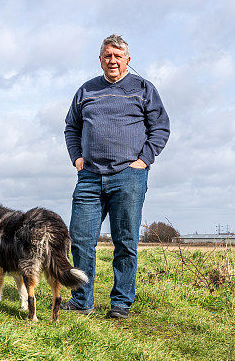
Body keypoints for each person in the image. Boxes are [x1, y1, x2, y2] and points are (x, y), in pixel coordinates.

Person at [61, 34, 170, 319]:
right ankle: (82, 300)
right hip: (89, 177)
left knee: (125, 241)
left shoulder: (143, 88)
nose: (112, 61)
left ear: (128, 61)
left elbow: (160, 127)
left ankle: (121, 302)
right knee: (81, 239)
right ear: (100, 59)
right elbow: (71, 127)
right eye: (107, 56)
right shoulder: (86, 91)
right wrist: (77, 158)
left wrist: (144, 160)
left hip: (128, 176)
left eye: (118, 56)